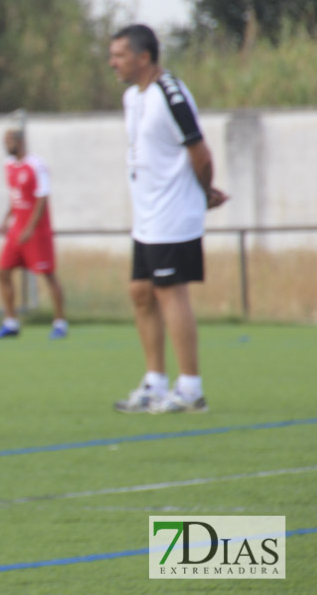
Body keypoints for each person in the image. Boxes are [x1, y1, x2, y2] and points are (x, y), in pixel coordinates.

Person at [107, 23, 227, 414]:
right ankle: (155, 383)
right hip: (147, 215)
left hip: (174, 214)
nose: (113, 63)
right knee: (141, 293)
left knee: (170, 293)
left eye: (120, 55)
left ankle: (191, 389)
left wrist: (204, 192)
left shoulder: (170, 93)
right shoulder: (132, 98)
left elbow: (201, 153)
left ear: (144, 57)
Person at [0, 128, 68, 340]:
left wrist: (30, 229)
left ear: (20, 142)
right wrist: (7, 219)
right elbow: (15, 198)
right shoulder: (9, 167)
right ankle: (11, 322)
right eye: (4, 141)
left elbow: (42, 198)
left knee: (48, 275)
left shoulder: (37, 166)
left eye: (9, 141)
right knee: (2, 272)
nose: (6, 145)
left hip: (36, 233)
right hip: (16, 231)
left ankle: (60, 323)